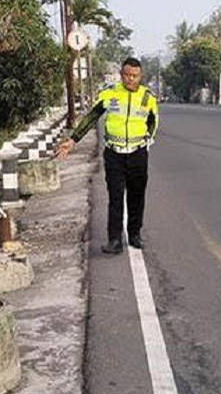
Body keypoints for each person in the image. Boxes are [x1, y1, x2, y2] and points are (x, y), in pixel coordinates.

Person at [55, 57, 159, 254]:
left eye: (135, 76)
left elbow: (153, 120)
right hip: (114, 154)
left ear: (140, 76)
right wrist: (73, 140)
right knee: (116, 196)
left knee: (137, 196)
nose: (131, 79)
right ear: (121, 75)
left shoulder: (148, 97)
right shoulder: (110, 94)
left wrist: (148, 139)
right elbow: (92, 117)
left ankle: (135, 234)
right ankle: (114, 240)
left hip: (137, 154)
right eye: (127, 75)